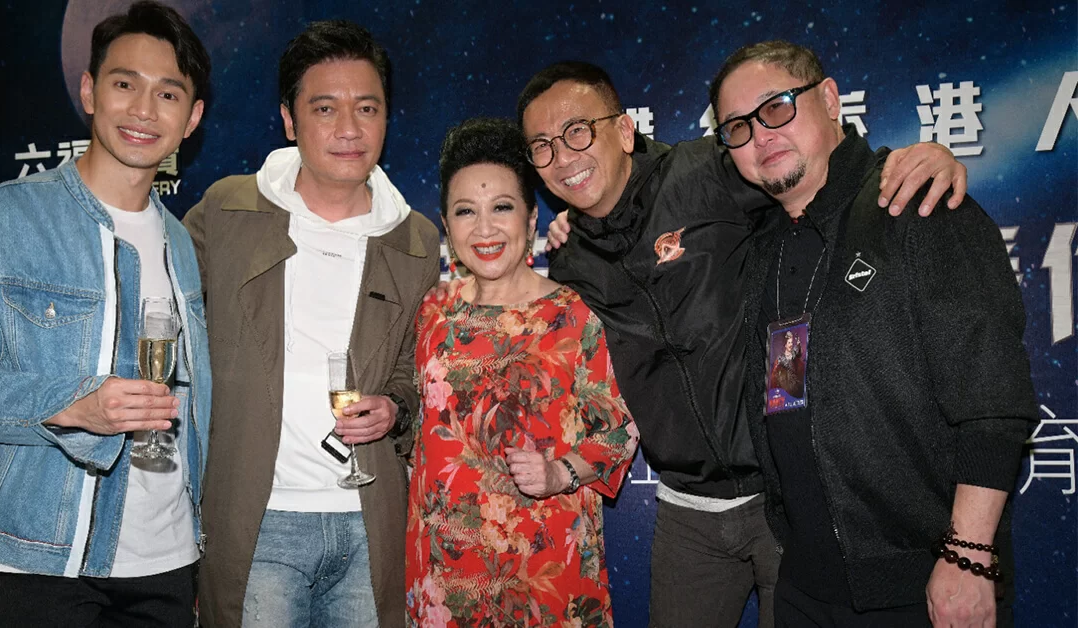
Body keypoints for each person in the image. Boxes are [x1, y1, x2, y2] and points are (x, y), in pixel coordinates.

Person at [520, 61, 969, 627]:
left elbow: (810, 174)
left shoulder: (705, 173)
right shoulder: (570, 260)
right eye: (542, 147)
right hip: (686, 509)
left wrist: (911, 159)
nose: (564, 157)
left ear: (625, 130)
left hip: (787, 495)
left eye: (578, 132)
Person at [0, 2, 211, 625]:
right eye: (125, 84)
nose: (144, 110)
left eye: (168, 94)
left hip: (170, 558)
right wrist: (69, 405)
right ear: (90, 91)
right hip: (44, 560)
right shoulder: (3, 219)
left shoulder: (182, 243)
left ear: (191, 118)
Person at [711, 40, 1038, 627]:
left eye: (777, 107)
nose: (761, 135)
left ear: (830, 99)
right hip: (803, 586)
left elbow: (994, 399)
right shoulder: (763, 246)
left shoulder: (918, 203)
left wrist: (967, 556)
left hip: (930, 584)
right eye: (738, 126)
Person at [185, 20, 439, 628]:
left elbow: (416, 370)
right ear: (289, 120)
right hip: (258, 525)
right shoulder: (228, 211)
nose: (349, 128)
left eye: (367, 108)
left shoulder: (415, 239)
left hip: (369, 525)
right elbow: (163, 316)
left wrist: (395, 407)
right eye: (325, 108)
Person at [407, 117, 639, 627]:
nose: (484, 229)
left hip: (545, 569)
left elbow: (618, 431)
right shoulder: (433, 312)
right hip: (447, 573)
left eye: (502, 207)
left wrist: (559, 473)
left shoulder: (572, 315)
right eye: (465, 211)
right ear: (446, 225)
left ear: (532, 220)